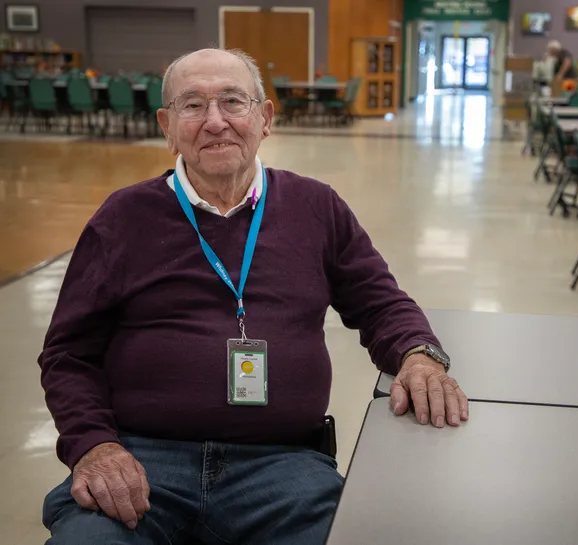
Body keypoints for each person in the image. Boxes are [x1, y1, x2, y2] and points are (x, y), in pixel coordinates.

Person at [38, 48, 469, 545]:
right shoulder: (124, 218)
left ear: (264, 118)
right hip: (142, 460)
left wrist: (419, 355)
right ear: (167, 126)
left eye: (232, 102)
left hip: (283, 466)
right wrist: (94, 447)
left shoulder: (316, 206)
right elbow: (67, 353)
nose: (215, 121)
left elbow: (380, 303)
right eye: (193, 105)